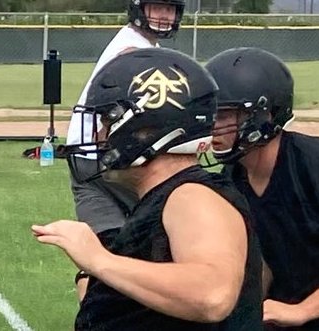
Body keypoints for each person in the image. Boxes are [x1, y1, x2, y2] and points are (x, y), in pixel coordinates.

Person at [33, 47, 263, 330]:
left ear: (145, 127)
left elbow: (212, 294)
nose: (99, 136)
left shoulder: (192, 196)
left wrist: (99, 260)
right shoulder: (165, 196)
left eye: (107, 121)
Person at [66, 0, 185, 299]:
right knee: (176, 231)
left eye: (169, 9)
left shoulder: (133, 43)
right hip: (108, 163)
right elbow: (114, 112)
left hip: (86, 161)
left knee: (106, 253)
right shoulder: (134, 52)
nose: (164, 15)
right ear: (138, 9)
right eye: (156, 7)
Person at [205, 47, 319, 330]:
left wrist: (304, 309)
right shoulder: (232, 179)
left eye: (226, 115)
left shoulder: (311, 165)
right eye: (211, 114)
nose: (213, 126)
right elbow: (260, 262)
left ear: (264, 116)